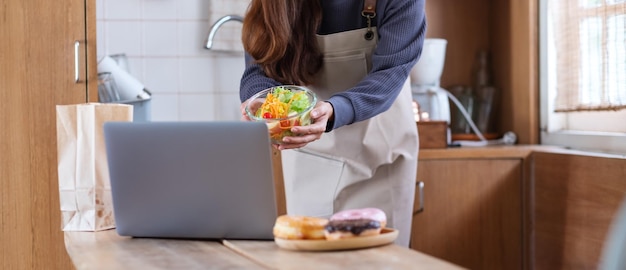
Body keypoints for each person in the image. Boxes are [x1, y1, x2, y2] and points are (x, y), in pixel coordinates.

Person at [239, 0, 426, 247]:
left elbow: (391, 71)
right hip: (308, 156)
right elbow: (260, 66)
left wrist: (334, 110)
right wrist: (260, 100)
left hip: (379, 160)